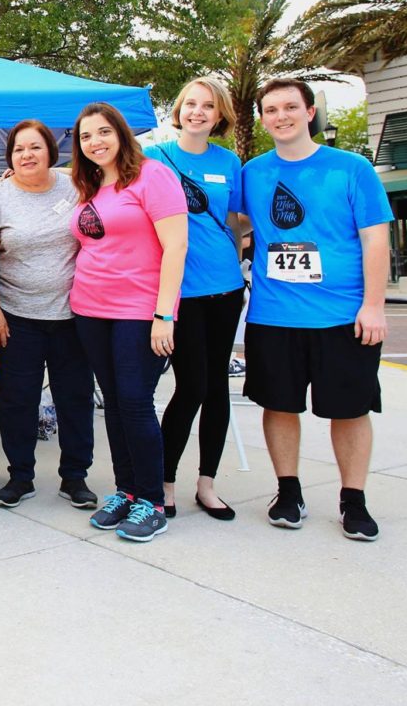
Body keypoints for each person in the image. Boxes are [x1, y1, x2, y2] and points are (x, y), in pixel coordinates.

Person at [241, 78, 392, 541]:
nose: (280, 116)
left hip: (343, 317)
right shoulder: (252, 173)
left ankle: (353, 499)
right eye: (271, 109)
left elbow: (376, 239)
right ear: (262, 119)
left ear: (310, 112)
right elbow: (229, 224)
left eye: (290, 107)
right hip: (274, 316)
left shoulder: (351, 169)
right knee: (279, 405)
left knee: (349, 410)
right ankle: (288, 492)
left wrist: (373, 305)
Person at [69, 102, 187, 543]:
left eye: (103, 132)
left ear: (120, 133)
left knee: (136, 402)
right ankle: (126, 490)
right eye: (85, 137)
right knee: (115, 404)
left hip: (140, 311)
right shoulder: (90, 184)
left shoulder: (153, 176)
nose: (95, 142)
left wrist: (164, 314)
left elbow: (175, 248)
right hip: (89, 309)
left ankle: (153, 501)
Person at [144, 77, 245, 520]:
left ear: (219, 115)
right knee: (191, 387)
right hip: (179, 293)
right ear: (178, 110)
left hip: (225, 290)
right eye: (190, 104)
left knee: (217, 387)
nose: (197, 112)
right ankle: (165, 482)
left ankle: (207, 484)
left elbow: (235, 222)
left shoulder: (230, 162)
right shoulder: (153, 158)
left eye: (207, 106)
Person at [0, 120, 97, 510]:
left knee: (75, 398)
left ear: (51, 151)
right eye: (18, 149)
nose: (26, 155)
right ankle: (20, 476)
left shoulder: (77, 186)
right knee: (18, 399)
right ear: (10, 156)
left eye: (34, 147)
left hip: (74, 315)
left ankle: (75, 476)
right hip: (17, 316)